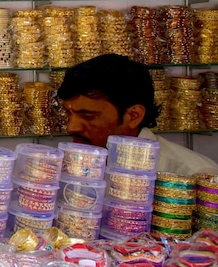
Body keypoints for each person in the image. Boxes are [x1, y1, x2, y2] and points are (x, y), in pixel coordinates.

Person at [57, 53, 218, 176]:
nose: (71, 127)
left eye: (88, 115)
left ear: (134, 116)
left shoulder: (191, 173)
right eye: (68, 113)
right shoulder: (66, 165)